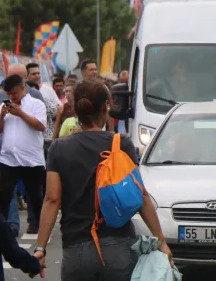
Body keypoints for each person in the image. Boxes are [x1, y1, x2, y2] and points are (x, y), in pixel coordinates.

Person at [34, 79, 171, 280]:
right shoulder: (120, 143)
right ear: (106, 106)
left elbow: (52, 200)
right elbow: (141, 195)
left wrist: (41, 248)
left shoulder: (58, 148)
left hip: (76, 247)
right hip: (118, 246)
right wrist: (161, 241)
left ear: (76, 109)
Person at [0, 74, 47, 235]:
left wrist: (20, 113)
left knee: (35, 196)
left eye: (14, 93)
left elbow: (41, 126)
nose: (12, 97)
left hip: (31, 159)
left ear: (23, 88)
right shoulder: (4, 107)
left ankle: (38, 225)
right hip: (8, 159)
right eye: (9, 94)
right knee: (2, 195)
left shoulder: (36, 104)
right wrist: (2, 115)